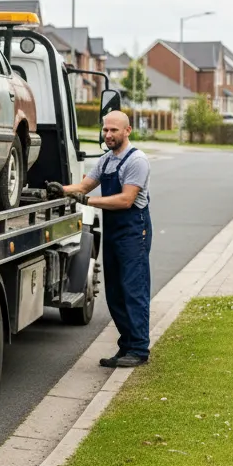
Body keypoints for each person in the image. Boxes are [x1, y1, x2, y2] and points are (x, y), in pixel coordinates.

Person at [48, 111, 152, 368]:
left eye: (114, 130)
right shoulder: (106, 161)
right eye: (105, 130)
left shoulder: (136, 160)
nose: (108, 135)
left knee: (133, 290)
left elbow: (125, 200)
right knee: (115, 292)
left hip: (133, 231)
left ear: (127, 131)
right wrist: (61, 189)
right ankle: (126, 346)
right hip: (115, 232)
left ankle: (139, 349)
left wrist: (88, 201)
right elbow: (83, 187)